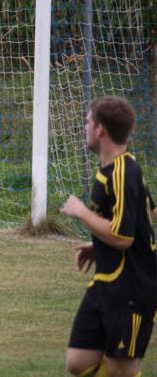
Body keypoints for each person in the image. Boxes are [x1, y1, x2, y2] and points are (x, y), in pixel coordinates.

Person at [60, 96, 156, 377]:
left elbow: (124, 237)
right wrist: (98, 243)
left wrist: (82, 213)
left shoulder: (124, 172)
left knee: (119, 370)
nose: (85, 127)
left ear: (100, 129)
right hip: (107, 281)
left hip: (132, 287)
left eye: (88, 121)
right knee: (78, 361)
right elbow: (144, 216)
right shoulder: (114, 168)